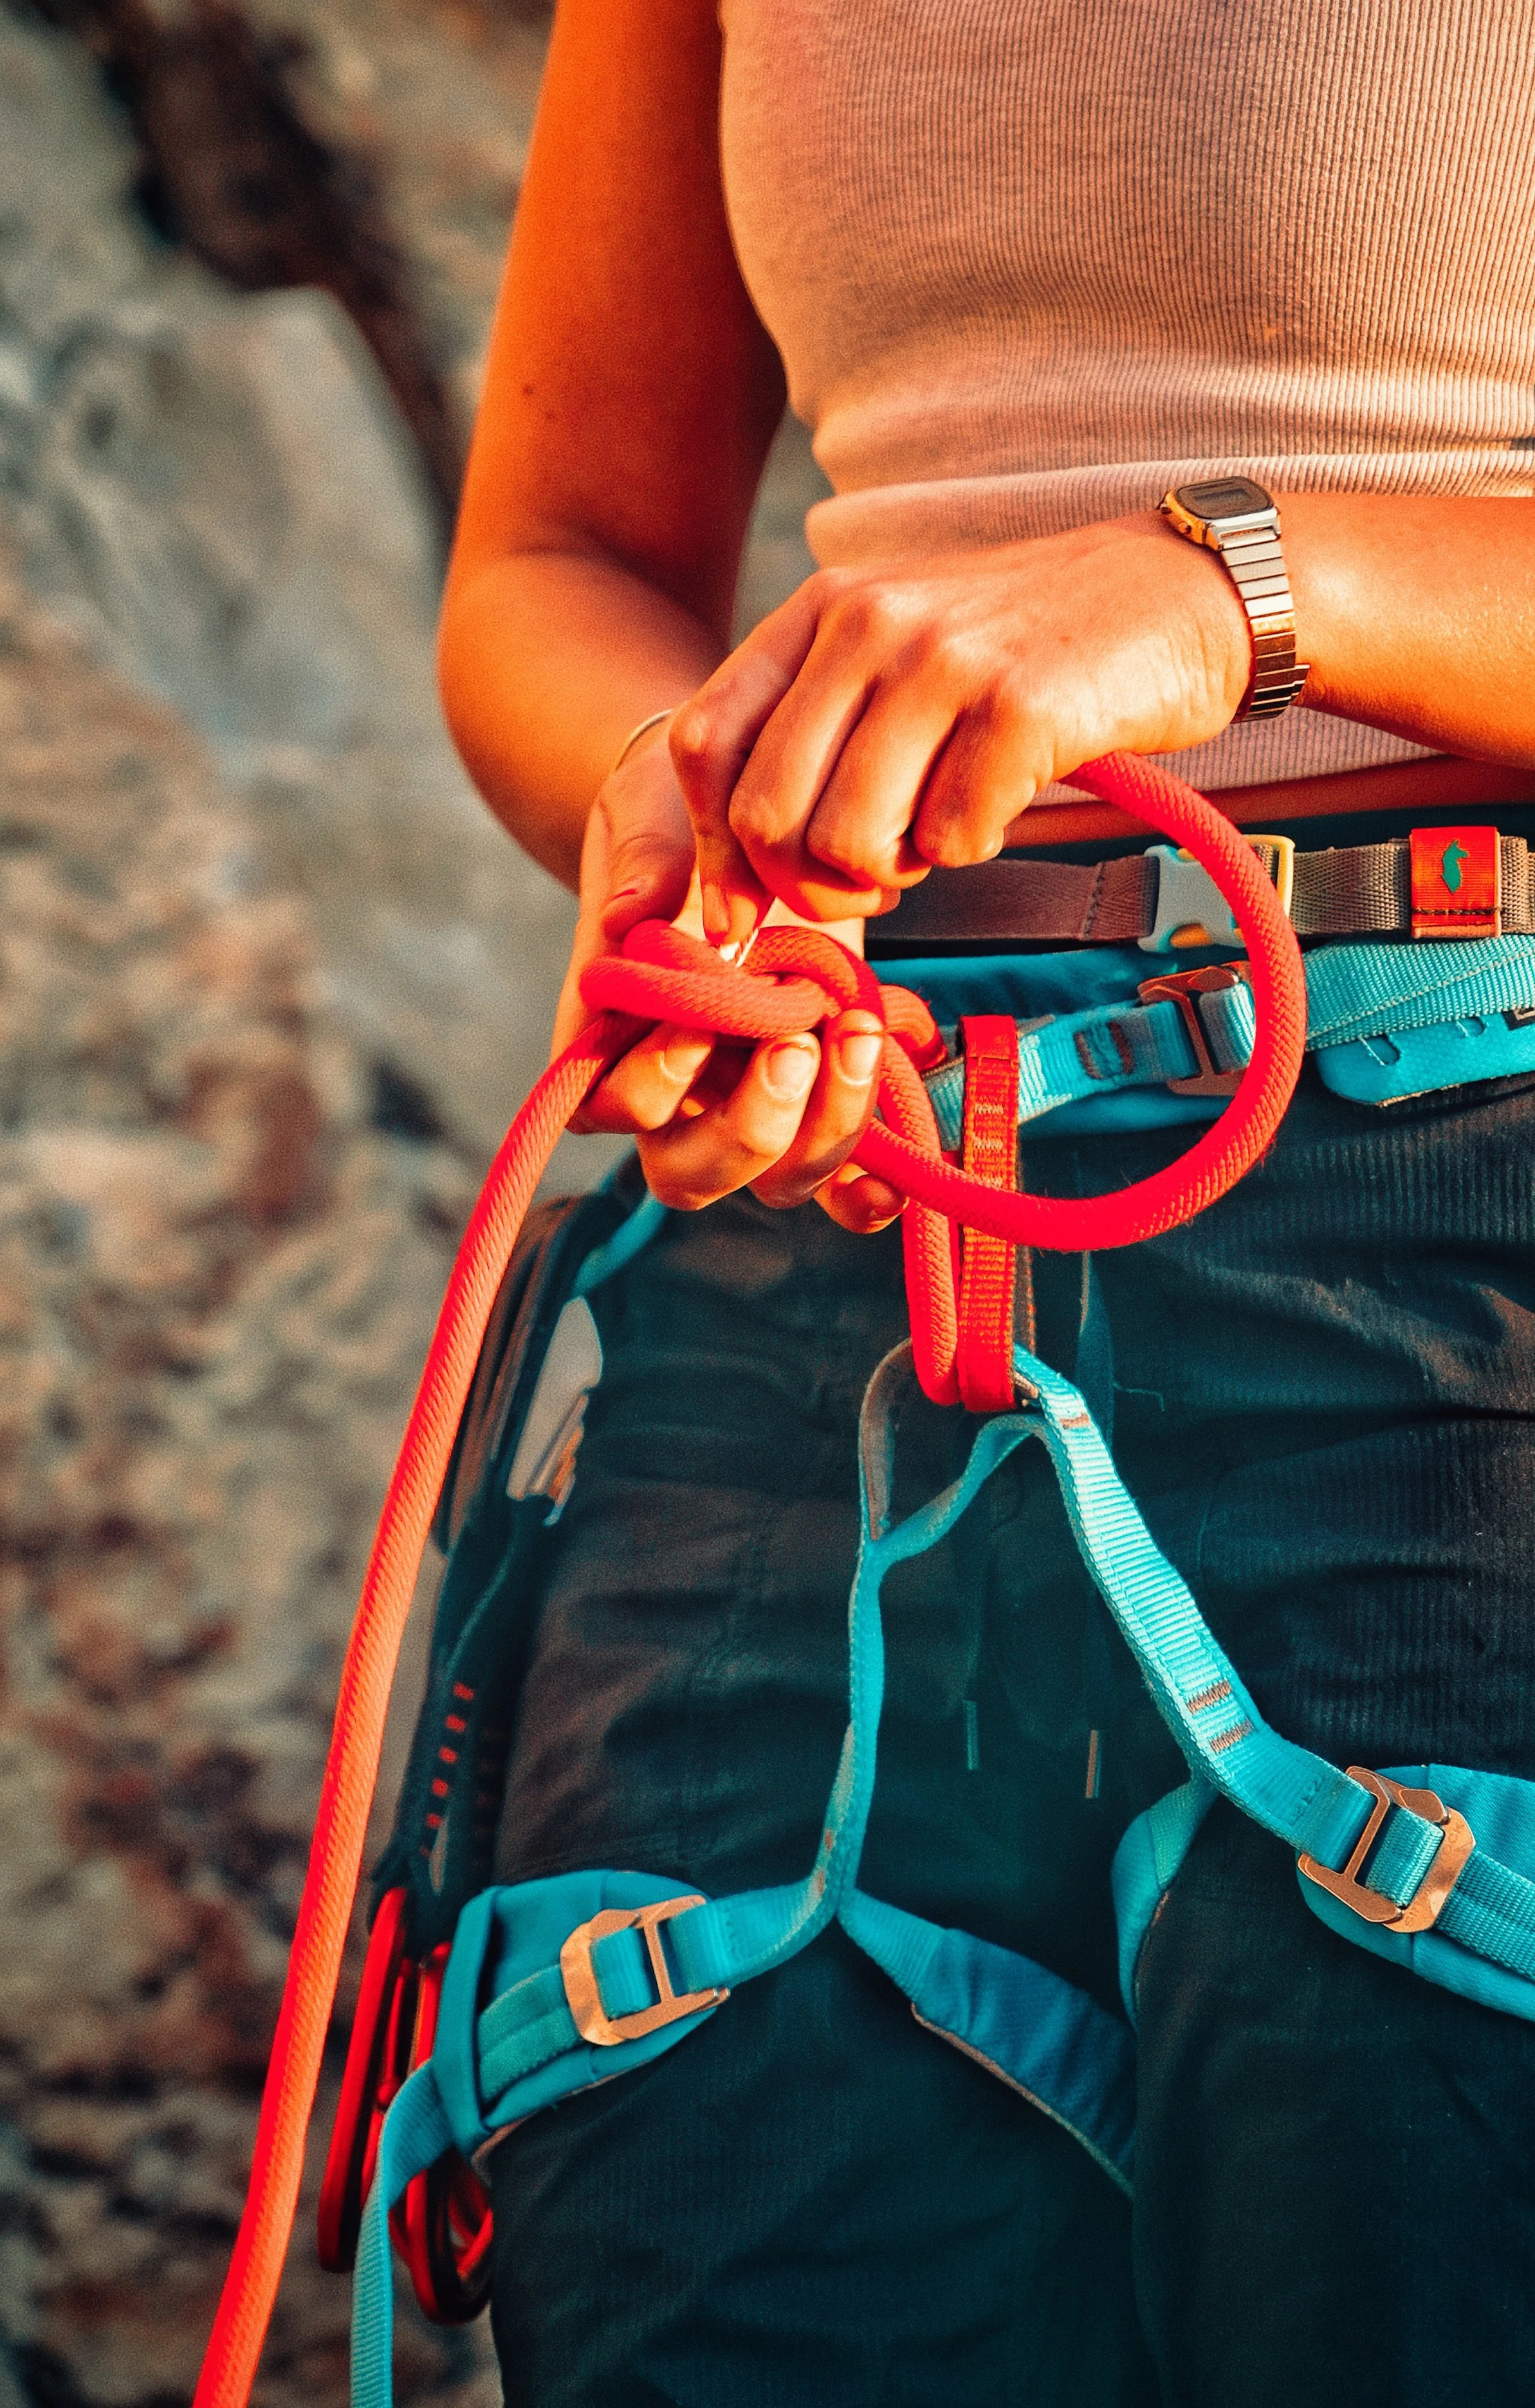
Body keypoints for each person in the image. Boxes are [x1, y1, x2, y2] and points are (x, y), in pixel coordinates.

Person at [437, 4, 1535, 2401]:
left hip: (1467, 1249)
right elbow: (563, 550)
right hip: (809, 1251)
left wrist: (1243, 583)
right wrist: (677, 797)